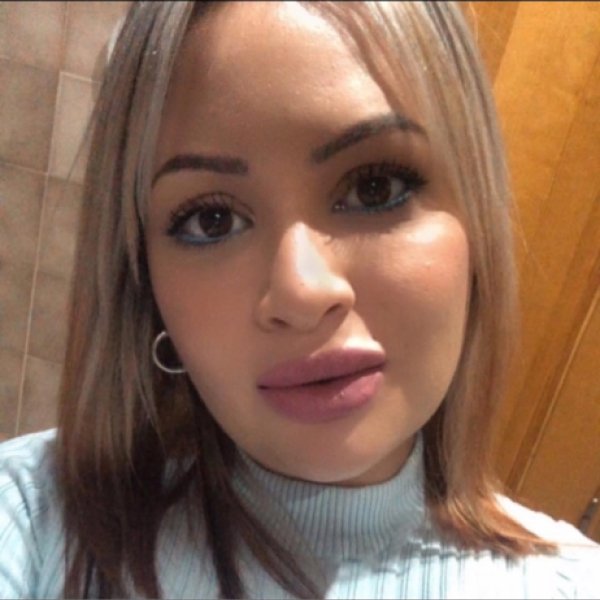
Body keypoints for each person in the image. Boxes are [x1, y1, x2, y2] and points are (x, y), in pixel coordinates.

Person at [0, 1, 597, 598]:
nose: (302, 292)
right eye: (211, 220)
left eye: (375, 188)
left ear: (475, 217)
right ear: (146, 288)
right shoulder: (34, 516)